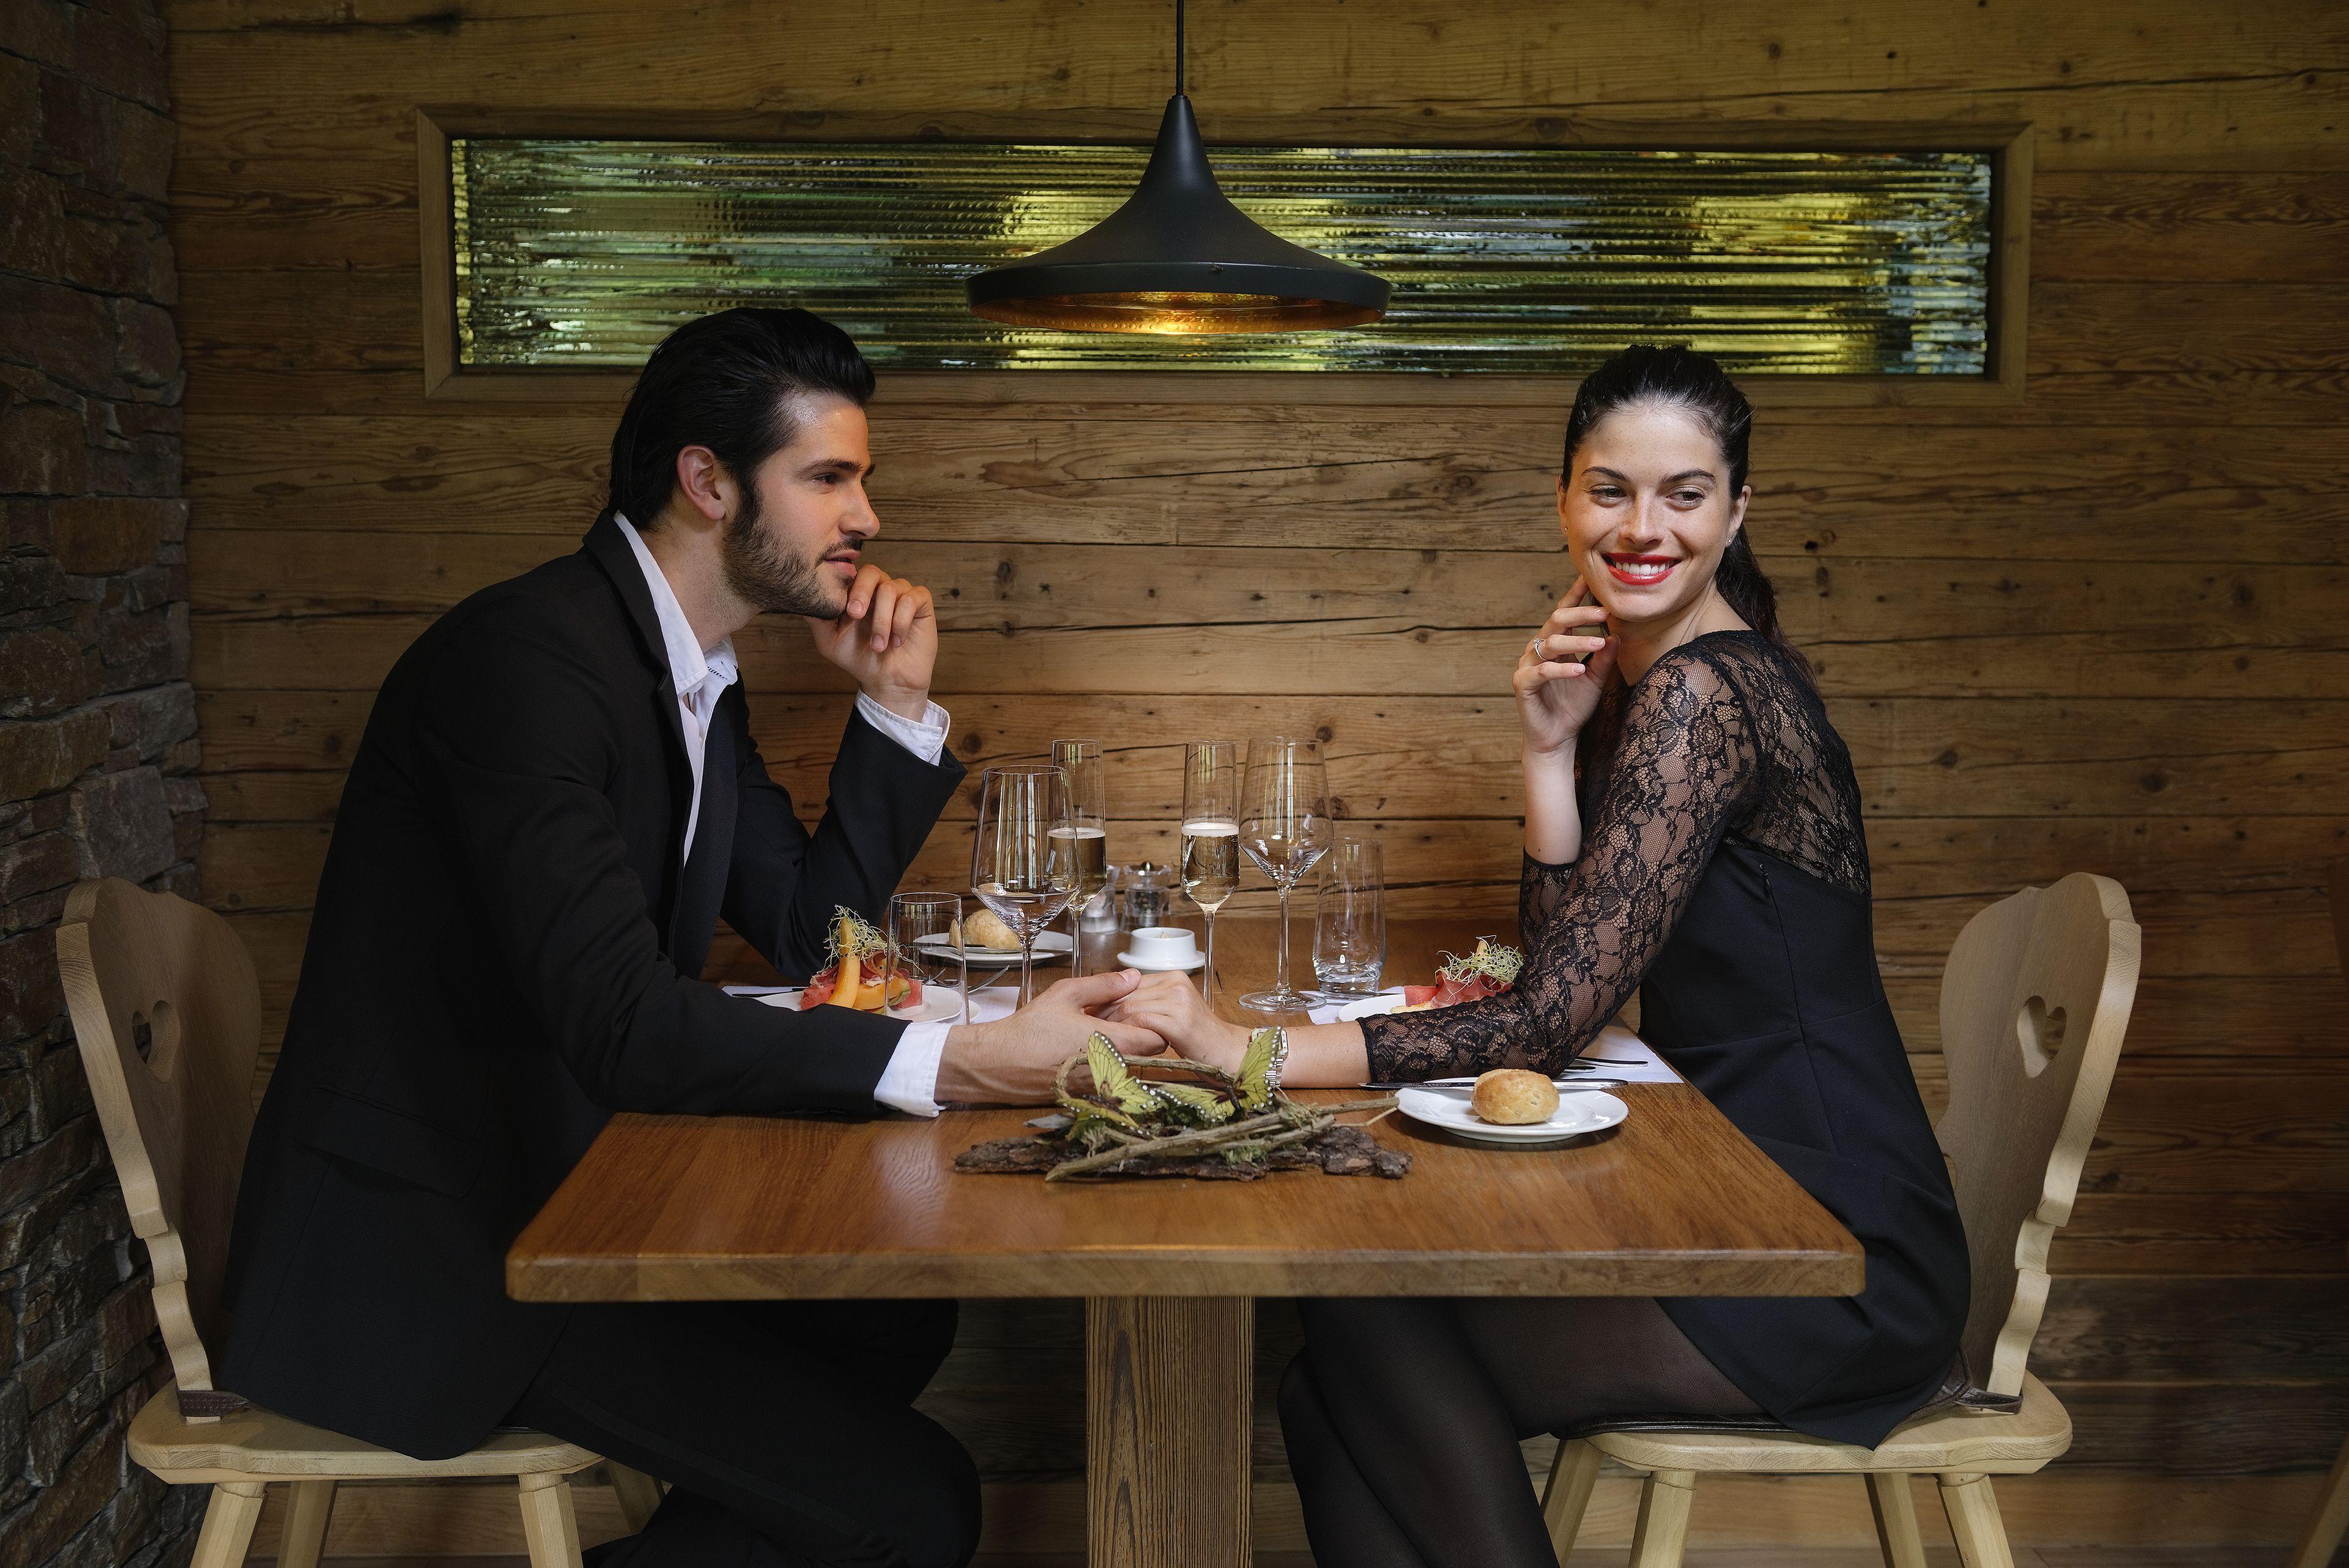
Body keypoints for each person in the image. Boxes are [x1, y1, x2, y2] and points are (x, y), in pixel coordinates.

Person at [218, 308, 1162, 1568]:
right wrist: (966, 1065)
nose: (867, 515)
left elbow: (806, 936)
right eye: (828, 478)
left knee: (896, 1318)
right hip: (447, 1251)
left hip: (575, 1191)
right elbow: (622, 1023)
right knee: (916, 1506)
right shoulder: (528, 664)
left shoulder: (687, 673)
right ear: (708, 482)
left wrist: (893, 704)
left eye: (859, 480)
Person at [1111, 344, 1971, 1567]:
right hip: (1743, 1199)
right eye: (1610, 490)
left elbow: (1546, 1021)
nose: (1643, 526)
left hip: (1827, 1248)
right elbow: (1570, 966)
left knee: (1362, 1329)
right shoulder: (1675, 684)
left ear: (1737, 512)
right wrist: (1548, 752)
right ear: (1564, 499)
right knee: (1328, 1384)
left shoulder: (1704, 696)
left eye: (1684, 494)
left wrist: (1244, 1046)